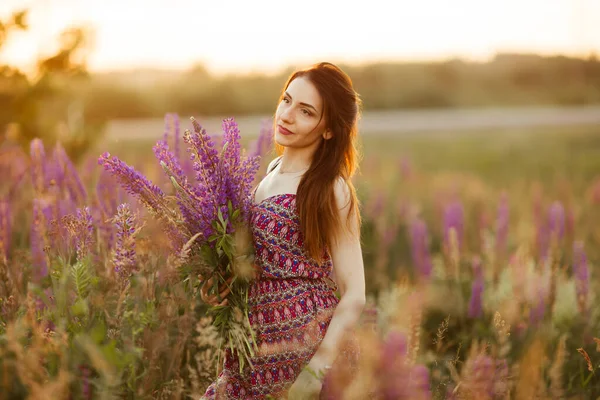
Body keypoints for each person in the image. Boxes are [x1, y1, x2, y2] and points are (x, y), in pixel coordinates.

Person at [201, 62, 366, 400]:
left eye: (306, 112)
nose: (287, 115)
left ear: (329, 130)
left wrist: (316, 372)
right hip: (253, 353)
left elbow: (355, 294)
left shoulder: (330, 188)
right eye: (286, 100)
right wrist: (223, 284)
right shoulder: (270, 173)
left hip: (305, 349)